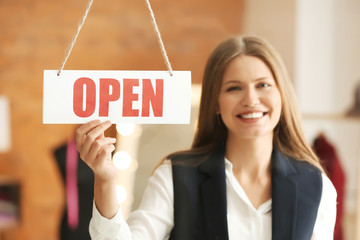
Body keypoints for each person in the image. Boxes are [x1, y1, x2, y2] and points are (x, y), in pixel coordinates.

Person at [75, 35, 337, 240]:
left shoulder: (317, 186)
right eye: (234, 88)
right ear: (215, 102)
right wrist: (106, 181)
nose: (251, 99)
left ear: (282, 95)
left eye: (263, 85)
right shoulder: (176, 176)